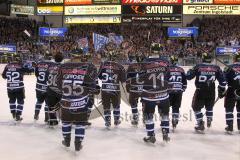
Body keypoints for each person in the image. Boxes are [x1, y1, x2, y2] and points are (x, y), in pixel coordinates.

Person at [57, 53, 99, 151]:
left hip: (66, 101)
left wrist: (65, 92)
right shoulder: (89, 66)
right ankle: (78, 143)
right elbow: (92, 86)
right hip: (81, 102)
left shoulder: (63, 66)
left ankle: (66, 141)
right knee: (80, 123)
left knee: (66, 122)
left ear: (71, 56)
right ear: (82, 56)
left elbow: (58, 84)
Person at [186, 53, 226, 132]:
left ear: (203, 58)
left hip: (200, 90)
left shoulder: (198, 67)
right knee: (209, 106)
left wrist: (189, 70)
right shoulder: (216, 68)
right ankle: (209, 119)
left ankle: (200, 122)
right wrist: (221, 90)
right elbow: (223, 82)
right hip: (211, 90)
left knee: (196, 107)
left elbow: (189, 77)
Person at [141, 56, 171, 143]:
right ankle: (165, 132)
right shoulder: (165, 61)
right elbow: (168, 76)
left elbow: (140, 78)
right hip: (163, 95)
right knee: (164, 115)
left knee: (148, 116)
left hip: (149, 96)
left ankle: (151, 135)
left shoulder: (145, 62)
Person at [2, 54, 33, 121]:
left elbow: (3, 76)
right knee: (20, 101)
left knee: (12, 101)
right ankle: (18, 115)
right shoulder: (20, 65)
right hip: (19, 87)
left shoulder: (7, 66)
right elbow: (30, 71)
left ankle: (13, 114)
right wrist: (29, 66)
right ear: (19, 59)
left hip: (10, 87)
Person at [98, 54, 126, 128]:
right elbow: (123, 80)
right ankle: (116, 120)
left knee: (106, 106)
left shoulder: (103, 65)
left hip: (105, 89)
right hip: (115, 89)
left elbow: (100, 77)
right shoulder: (120, 66)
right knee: (116, 105)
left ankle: (107, 120)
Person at [168, 56, 187, 130]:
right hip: (179, 91)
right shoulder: (181, 69)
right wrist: (183, 89)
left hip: (169, 91)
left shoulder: (168, 69)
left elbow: (164, 79)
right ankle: (175, 120)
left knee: (166, 107)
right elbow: (184, 81)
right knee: (176, 107)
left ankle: (164, 121)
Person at [223, 53, 240, 133]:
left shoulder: (229, 67)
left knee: (229, 108)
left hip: (231, 90)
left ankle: (230, 126)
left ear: (234, 58)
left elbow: (224, 80)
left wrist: (222, 90)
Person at [45, 53, 64, 127]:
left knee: (51, 106)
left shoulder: (50, 67)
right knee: (64, 106)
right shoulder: (63, 67)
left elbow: (46, 76)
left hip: (50, 89)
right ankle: (66, 121)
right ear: (62, 59)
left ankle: (52, 121)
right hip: (60, 90)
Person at [34, 56, 52, 122]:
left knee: (39, 101)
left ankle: (36, 114)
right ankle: (47, 117)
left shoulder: (38, 64)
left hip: (39, 87)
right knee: (47, 103)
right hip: (48, 87)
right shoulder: (52, 65)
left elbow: (36, 74)